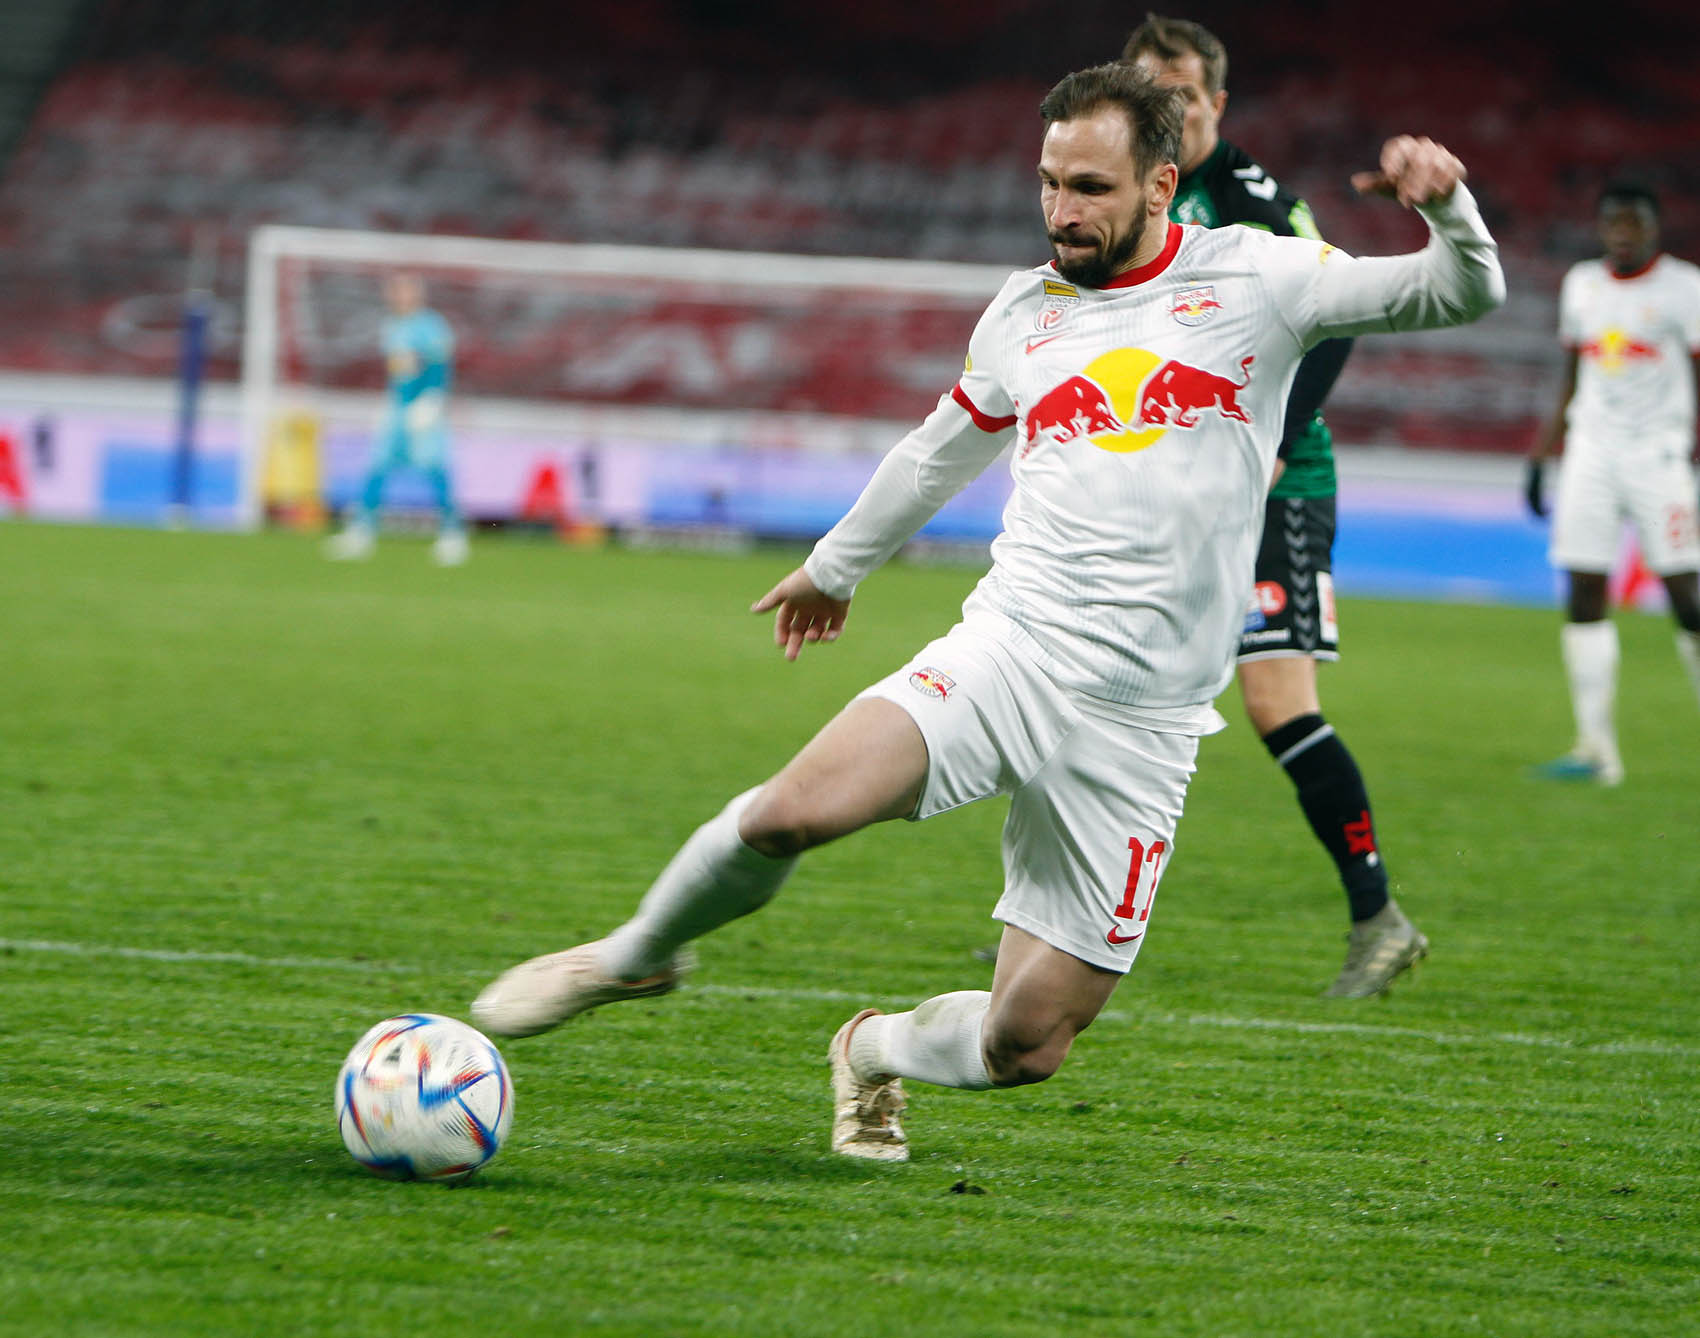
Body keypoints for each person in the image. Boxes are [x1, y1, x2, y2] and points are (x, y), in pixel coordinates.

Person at [471, 63, 1504, 1162]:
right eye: (1049, 183)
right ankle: (636, 955)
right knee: (789, 813)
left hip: (1147, 724)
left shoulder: (1260, 276)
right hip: (1017, 651)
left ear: (1160, 185)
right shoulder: (1024, 312)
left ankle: (873, 1047)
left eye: (1090, 188)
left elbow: (1460, 292)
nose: (1061, 211)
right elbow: (936, 453)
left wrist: (1445, 206)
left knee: (1027, 1043)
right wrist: (834, 569)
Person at [1122, 14, 1424, 998]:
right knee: (1102, 686)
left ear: (1215, 101)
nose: (1164, 107)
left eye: (1180, 92)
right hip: (1176, 481)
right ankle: (1064, 915)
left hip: (1273, 484)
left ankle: (1378, 918)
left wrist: (1274, 444)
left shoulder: (1254, 203)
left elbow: (1339, 317)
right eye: (1148, 90)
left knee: (1275, 705)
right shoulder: (1132, 193)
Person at [1526, 181, 1700, 784]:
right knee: (1583, 591)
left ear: (1655, 228)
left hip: (1659, 454)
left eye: (1636, 222)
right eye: (1615, 222)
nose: (1625, 233)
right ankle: (1596, 751)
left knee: (1687, 596)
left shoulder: (1685, 287)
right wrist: (1541, 455)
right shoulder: (1582, 284)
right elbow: (1572, 376)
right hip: (1591, 454)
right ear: (1601, 228)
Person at [326, 272, 469, 566]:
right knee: (377, 465)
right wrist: (390, 401)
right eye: (396, 292)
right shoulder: (393, 326)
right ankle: (361, 532)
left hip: (424, 407)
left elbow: (440, 365)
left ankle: (453, 534)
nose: (400, 297)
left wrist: (432, 399)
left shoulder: (431, 326)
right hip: (397, 407)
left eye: (406, 291)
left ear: (417, 294)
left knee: (434, 467)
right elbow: (399, 370)